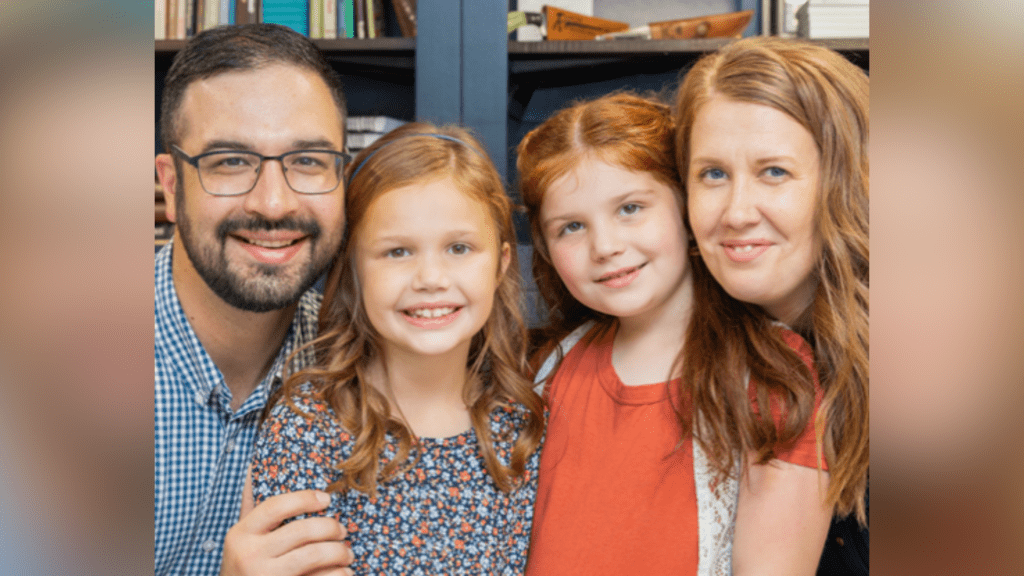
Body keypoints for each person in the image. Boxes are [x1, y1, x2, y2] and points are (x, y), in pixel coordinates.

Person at [516, 90, 832, 575]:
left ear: (687, 212)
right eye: (571, 227)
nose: (605, 246)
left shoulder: (771, 371)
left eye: (630, 208)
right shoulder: (545, 372)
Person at [247, 123, 546, 574]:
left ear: (501, 263)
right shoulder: (307, 429)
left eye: (459, 248)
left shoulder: (522, 426)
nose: (431, 278)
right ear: (354, 269)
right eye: (398, 252)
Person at [154, 24, 355, 576]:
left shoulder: (365, 364)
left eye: (308, 161)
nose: (273, 204)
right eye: (231, 162)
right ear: (171, 185)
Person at [675, 37, 869, 574]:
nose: (736, 213)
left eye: (774, 172)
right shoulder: (674, 358)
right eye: (713, 174)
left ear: (846, 182)